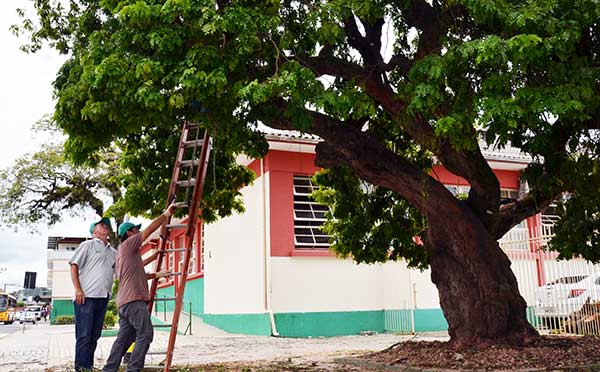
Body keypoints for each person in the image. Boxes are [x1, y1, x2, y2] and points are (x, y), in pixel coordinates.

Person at [102, 203, 177, 372]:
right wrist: (166, 214)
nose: (138, 232)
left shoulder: (125, 253)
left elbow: (138, 271)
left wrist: (157, 275)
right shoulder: (129, 244)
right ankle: (133, 369)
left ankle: (109, 369)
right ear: (129, 233)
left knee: (124, 339)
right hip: (134, 301)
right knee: (145, 334)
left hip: (125, 303)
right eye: (135, 230)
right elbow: (149, 230)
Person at [69, 216, 116, 372]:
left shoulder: (113, 251)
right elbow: (74, 266)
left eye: (106, 225)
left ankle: (87, 366)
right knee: (84, 336)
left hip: (103, 297)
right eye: (101, 225)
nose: (105, 227)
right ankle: (81, 368)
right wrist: (77, 289)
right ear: (93, 230)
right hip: (86, 297)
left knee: (94, 336)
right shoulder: (87, 245)